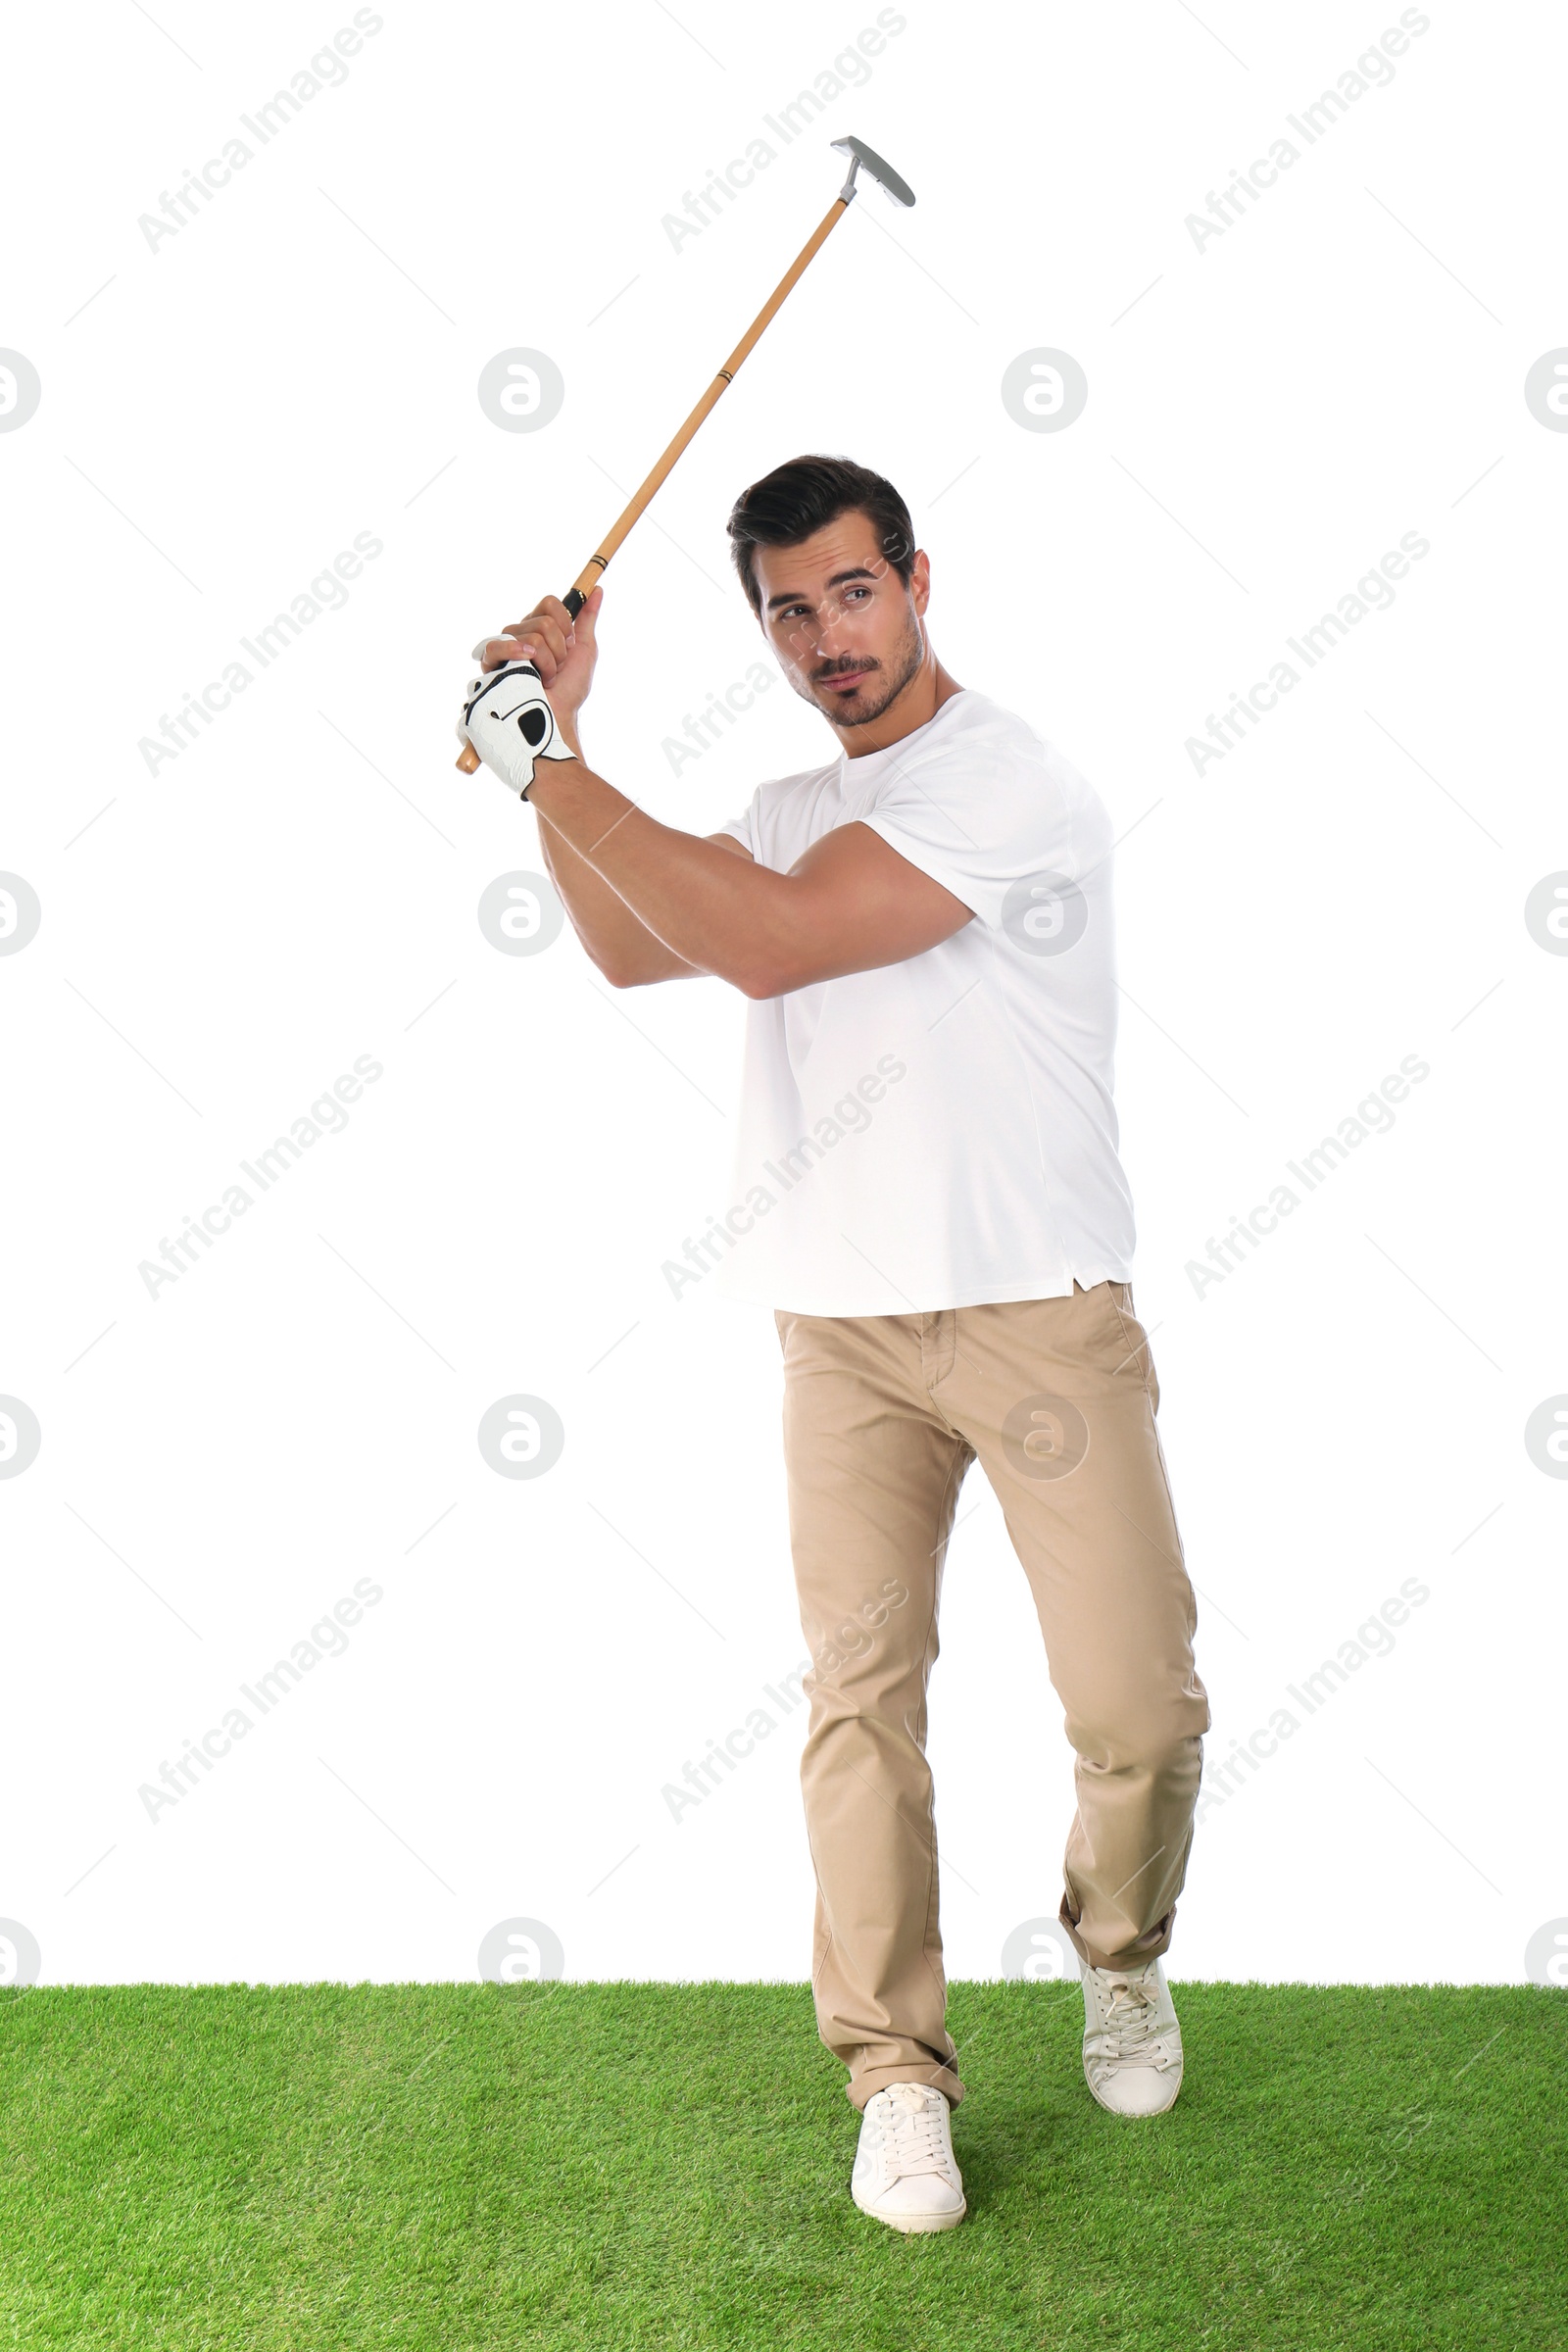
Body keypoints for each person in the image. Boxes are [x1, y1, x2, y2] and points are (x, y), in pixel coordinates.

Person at [460, 454, 1210, 2236]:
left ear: (918, 578)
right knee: (859, 1706)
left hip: (1040, 1310)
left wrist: (545, 762)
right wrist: (545, 755)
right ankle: (894, 2071)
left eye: (852, 592)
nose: (826, 638)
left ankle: (1120, 1954)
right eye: (788, 610)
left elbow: (779, 947)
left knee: (1137, 1705)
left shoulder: (1003, 775)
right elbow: (642, 951)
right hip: (842, 1332)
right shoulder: (788, 799)